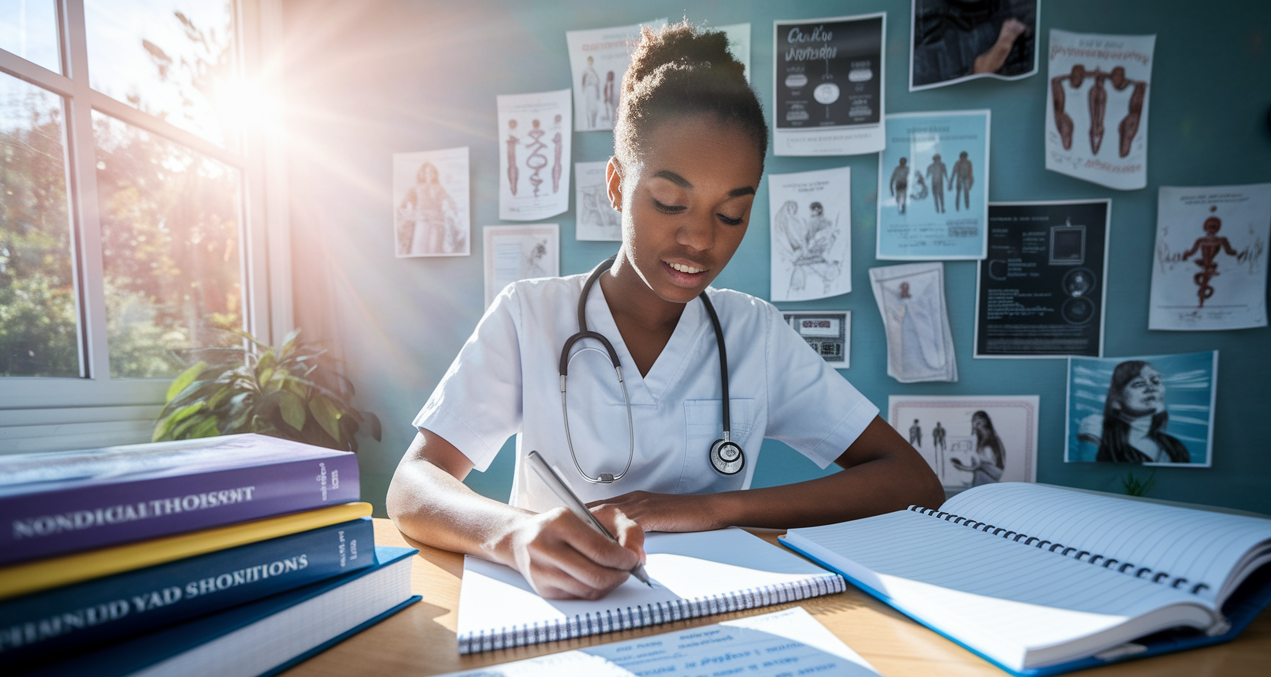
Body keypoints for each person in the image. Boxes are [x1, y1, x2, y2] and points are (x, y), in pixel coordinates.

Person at [388, 22, 943, 602]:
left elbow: (912, 481)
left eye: (731, 215)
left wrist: (704, 509)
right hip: (555, 617)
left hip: (709, 624)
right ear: (616, 185)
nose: (700, 239)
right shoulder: (530, 315)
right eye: (670, 202)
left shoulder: (754, 334)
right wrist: (514, 534)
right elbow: (412, 484)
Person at [1078, 361, 1190, 464]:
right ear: (1116, 400)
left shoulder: (1175, 447)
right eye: (1139, 384)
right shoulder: (1097, 429)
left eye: (1156, 381)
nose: (1151, 387)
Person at [950, 411, 1005, 485]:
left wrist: (963, 467)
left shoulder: (993, 439)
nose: (975, 422)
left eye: (978, 420)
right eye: (974, 420)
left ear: (985, 421)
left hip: (993, 473)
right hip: (985, 473)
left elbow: (985, 465)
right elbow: (979, 464)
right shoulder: (978, 439)